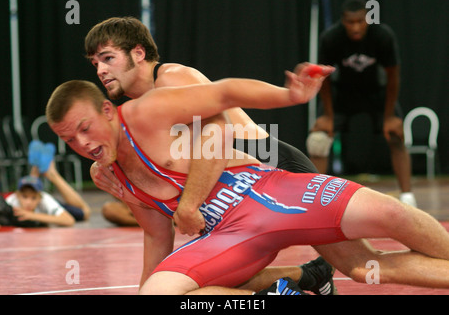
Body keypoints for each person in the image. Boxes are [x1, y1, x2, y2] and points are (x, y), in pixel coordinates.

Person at [46, 68, 449, 295]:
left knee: (377, 241)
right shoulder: (110, 174)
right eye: (69, 140)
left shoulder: (148, 109)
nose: (82, 144)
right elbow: (156, 238)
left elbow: (223, 97)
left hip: (271, 190)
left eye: (84, 129)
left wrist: (289, 96)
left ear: (106, 109)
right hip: (231, 235)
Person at [85, 17, 335, 295]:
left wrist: (290, 95)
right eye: (95, 64)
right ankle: (311, 275)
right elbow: (158, 225)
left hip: (269, 164)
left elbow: (221, 121)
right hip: (229, 189)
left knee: (358, 264)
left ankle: (316, 273)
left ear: (139, 53)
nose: (101, 70)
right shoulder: (137, 112)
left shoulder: (170, 78)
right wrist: (108, 168)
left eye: (107, 58)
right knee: (204, 283)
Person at [306, 0, 416, 206]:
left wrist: (390, 115)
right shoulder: (331, 38)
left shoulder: (382, 36)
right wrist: (328, 116)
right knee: (318, 140)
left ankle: (408, 196)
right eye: (350, 22)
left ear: (368, 20)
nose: (356, 27)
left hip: (376, 93)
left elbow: (393, 76)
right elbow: (324, 79)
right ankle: (313, 200)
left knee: (395, 134)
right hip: (343, 95)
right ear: (342, 21)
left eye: (360, 22)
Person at [2, 141, 90, 227]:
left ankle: (51, 173)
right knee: (32, 186)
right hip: (38, 200)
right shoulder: (11, 201)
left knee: (85, 212)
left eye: (33, 198)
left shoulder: (45, 200)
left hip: (47, 205)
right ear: (17, 195)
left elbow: (69, 220)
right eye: (24, 197)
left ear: (40, 198)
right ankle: (36, 170)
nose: (28, 202)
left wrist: (32, 216)